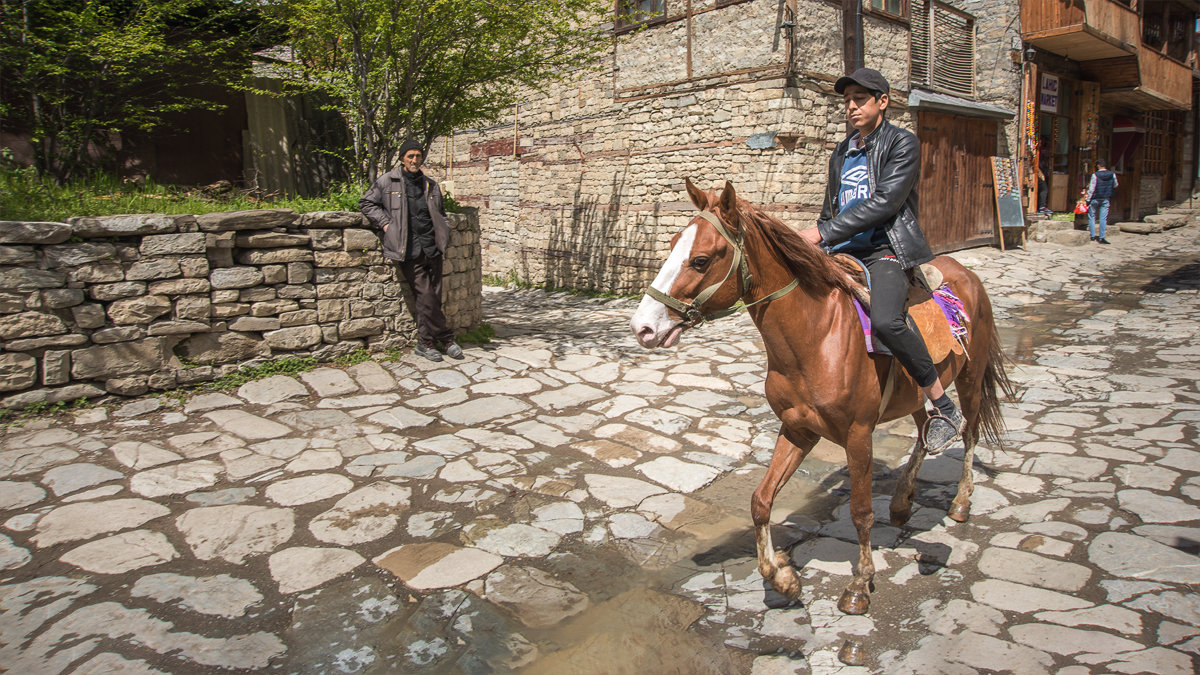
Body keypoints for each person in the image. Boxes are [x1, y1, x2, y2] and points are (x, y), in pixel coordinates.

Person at [800, 67, 961, 454]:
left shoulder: (902, 143)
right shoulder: (842, 151)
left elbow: (886, 202)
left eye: (860, 99)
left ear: (882, 102)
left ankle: (943, 406)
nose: (851, 106)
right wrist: (820, 239)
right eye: (847, 100)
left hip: (884, 249)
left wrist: (822, 233)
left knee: (887, 320)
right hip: (842, 250)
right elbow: (830, 207)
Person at [360, 139, 463, 362]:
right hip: (408, 248)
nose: (415, 160)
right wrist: (386, 224)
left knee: (433, 297)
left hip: (433, 247)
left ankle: (425, 343)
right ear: (402, 158)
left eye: (418, 156)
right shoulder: (388, 181)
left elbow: (441, 213)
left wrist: (444, 230)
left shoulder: (431, 185)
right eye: (410, 156)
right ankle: (445, 338)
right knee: (426, 295)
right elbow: (366, 203)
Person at [1086, 160, 1117, 244]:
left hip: (1095, 198)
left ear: (1098, 166)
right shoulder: (1112, 174)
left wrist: (1088, 199)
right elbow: (1115, 185)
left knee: (1092, 216)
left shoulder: (1095, 175)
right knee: (1103, 218)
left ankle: (1092, 236)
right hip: (1106, 198)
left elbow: (1092, 188)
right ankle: (1101, 237)